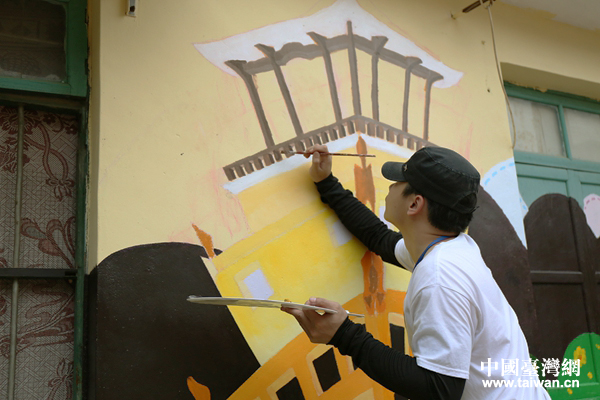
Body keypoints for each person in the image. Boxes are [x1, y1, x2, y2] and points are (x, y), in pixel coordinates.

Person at [281, 145, 550, 400]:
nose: (391, 185)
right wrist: (326, 181)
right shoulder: (451, 247)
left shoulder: (440, 276)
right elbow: (379, 238)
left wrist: (343, 335)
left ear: (414, 204)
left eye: (399, 181)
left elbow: (439, 389)